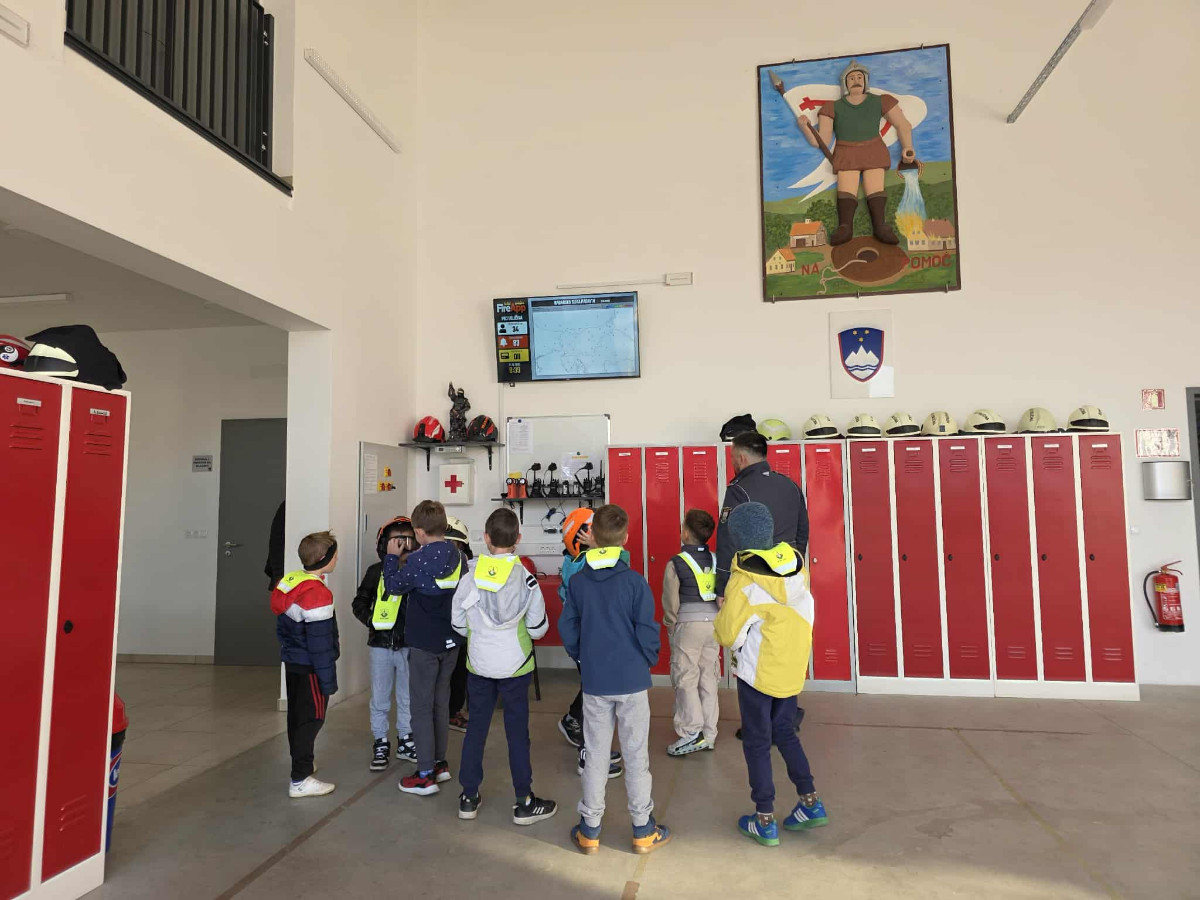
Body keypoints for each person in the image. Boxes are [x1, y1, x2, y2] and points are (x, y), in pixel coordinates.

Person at [559, 504, 671, 856]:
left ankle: (589, 830)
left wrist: (582, 656)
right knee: (636, 756)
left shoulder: (578, 582)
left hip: (596, 682)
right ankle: (643, 830)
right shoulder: (635, 582)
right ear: (625, 539)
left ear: (591, 537)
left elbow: (568, 628)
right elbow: (647, 629)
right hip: (633, 680)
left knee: (595, 755)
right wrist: (646, 660)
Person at [714, 503, 828, 847]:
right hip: (791, 669)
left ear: (737, 540)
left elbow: (726, 634)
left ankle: (764, 818)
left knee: (757, 741)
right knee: (785, 732)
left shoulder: (744, 581)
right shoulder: (797, 568)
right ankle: (810, 801)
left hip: (758, 674)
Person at [451, 507, 557, 825]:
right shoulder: (528, 581)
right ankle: (524, 801)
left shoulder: (469, 577)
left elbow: (457, 624)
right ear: (518, 539)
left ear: (485, 538)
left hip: (479, 665)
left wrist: (480, 634)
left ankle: (468, 797)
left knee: (476, 731)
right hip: (516, 667)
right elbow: (537, 629)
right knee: (517, 734)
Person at [797, 58, 921, 245]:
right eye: (851, 77)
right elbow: (820, 141)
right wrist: (805, 127)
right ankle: (845, 226)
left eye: (859, 77)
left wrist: (908, 146)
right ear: (845, 83)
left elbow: (903, 124)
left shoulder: (880, 101)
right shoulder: (832, 108)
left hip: (873, 150)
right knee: (846, 192)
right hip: (847, 153)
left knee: (876, 190)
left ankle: (880, 226)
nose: (856, 80)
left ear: (865, 80)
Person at [386, 500, 464, 796]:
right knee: (441, 703)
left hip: (424, 645)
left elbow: (393, 587)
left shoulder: (417, 561)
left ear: (419, 532)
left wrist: (392, 558)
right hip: (451, 641)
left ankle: (425, 774)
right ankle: (440, 764)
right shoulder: (459, 556)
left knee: (420, 706)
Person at [270, 530, 341, 798]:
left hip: (294, 663)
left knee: (297, 717)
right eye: (335, 555)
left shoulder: (293, 582)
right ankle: (300, 779)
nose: (337, 559)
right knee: (312, 719)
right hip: (311, 667)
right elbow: (320, 644)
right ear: (325, 558)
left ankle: (303, 764)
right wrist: (327, 681)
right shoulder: (317, 594)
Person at [555, 507, 624, 779]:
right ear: (582, 537)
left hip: (591, 639)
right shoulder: (579, 566)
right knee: (594, 698)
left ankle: (572, 721)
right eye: (595, 532)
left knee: (590, 689)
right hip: (588, 640)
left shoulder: (578, 560)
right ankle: (588, 755)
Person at [352, 516, 418, 771]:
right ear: (384, 544)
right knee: (380, 698)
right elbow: (359, 601)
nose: (403, 546)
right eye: (396, 541)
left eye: (408, 540)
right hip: (380, 645)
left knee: (407, 697)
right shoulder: (375, 572)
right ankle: (380, 741)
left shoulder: (416, 571)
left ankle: (405, 739)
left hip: (408, 645)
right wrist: (371, 620)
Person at [663, 509, 720, 757]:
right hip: (714, 625)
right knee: (709, 677)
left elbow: (671, 602)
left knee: (686, 677)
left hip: (688, 625)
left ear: (685, 533)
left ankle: (690, 733)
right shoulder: (716, 560)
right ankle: (709, 733)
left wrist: (671, 626)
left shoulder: (676, 563)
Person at [445, 516, 473, 733]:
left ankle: (453, 712)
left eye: (455, 545)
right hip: (438, 630)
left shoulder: (467, 566)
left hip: (461, 630)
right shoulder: (424, 565)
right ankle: (443, 713)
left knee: (459, 674)